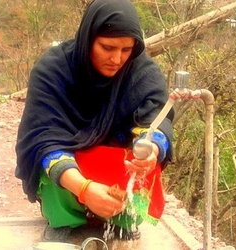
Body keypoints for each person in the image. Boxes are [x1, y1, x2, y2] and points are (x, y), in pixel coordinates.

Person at [15, 0, 174, 242]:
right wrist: (84, 189)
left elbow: (155, 121)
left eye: (126, 49)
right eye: (107, 47)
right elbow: (42, 138)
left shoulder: (143, 74)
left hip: (120, 172)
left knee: (145, 160)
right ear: (88, 39)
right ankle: (65, 219)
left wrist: (150, 150)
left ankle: (124, 219)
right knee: (47, 158)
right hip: (70, 171)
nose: (117, 59)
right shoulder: (53, 70)